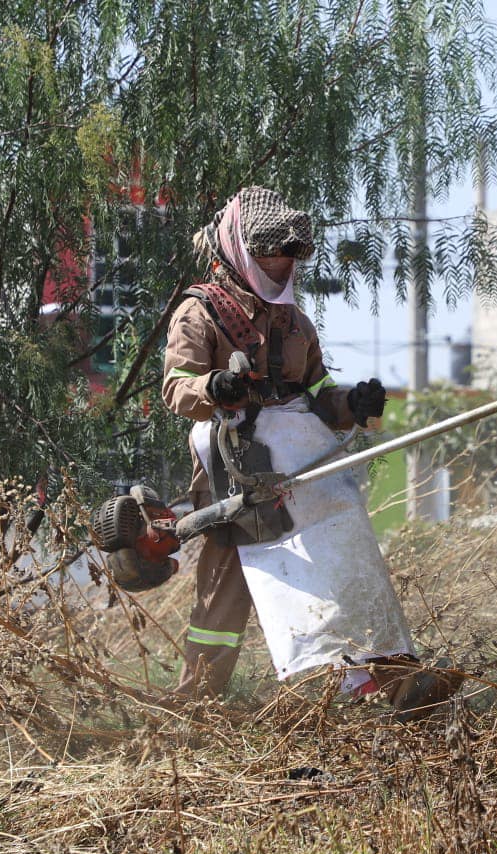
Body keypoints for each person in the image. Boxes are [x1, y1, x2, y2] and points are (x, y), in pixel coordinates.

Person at [161, 186, 389, 699]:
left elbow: (315, 397)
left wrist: (351, 405)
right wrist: (214, 387)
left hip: (303, 474)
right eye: (271, 253)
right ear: (241, 250)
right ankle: (193, 710)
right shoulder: (199, 314)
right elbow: (176, 389)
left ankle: (381, 687)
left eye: (289, 255)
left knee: (343, 570)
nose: (282, 265)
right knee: (223, 602)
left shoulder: (296, 322)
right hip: (233, 478)